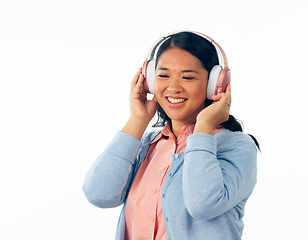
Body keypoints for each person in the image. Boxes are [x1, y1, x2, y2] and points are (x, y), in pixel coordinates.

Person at [82, 31, 259, 240]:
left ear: (214, 84)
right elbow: (99, 195)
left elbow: (203, 204)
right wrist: (138, 121)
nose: (173, 87)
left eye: (188, 77)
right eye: (163, 75)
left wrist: (203, 126)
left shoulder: (237, 146)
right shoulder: (147, 145)